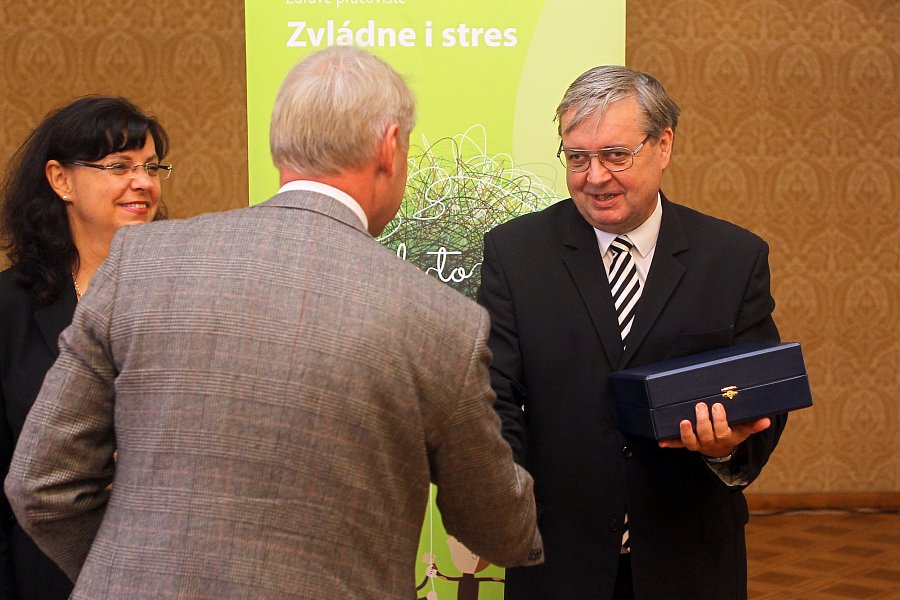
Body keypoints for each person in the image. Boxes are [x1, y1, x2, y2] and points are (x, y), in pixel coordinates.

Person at [5, 47, 543, 599]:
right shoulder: (441, 320)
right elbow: (497, 528)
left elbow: (42, 485)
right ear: (388, 147)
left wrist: (128, 575)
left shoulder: (142, 262)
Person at [476, 65, 786, 599]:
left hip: (688, 561)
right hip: (558, 559)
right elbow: (491, 394)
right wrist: (507, 497)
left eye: (615, 155)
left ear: (663, 146)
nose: (595, 177)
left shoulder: (733, 258)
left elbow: (763, 393)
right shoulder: (516, 254)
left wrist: (724, 448)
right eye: (578, 157)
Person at [0, 96, 170, 600]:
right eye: (119, 166)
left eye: (151, 167)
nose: (143, 182)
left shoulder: (182, 293)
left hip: (165, 570)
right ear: (61, 180)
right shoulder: (10, 307)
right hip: (44, 577)